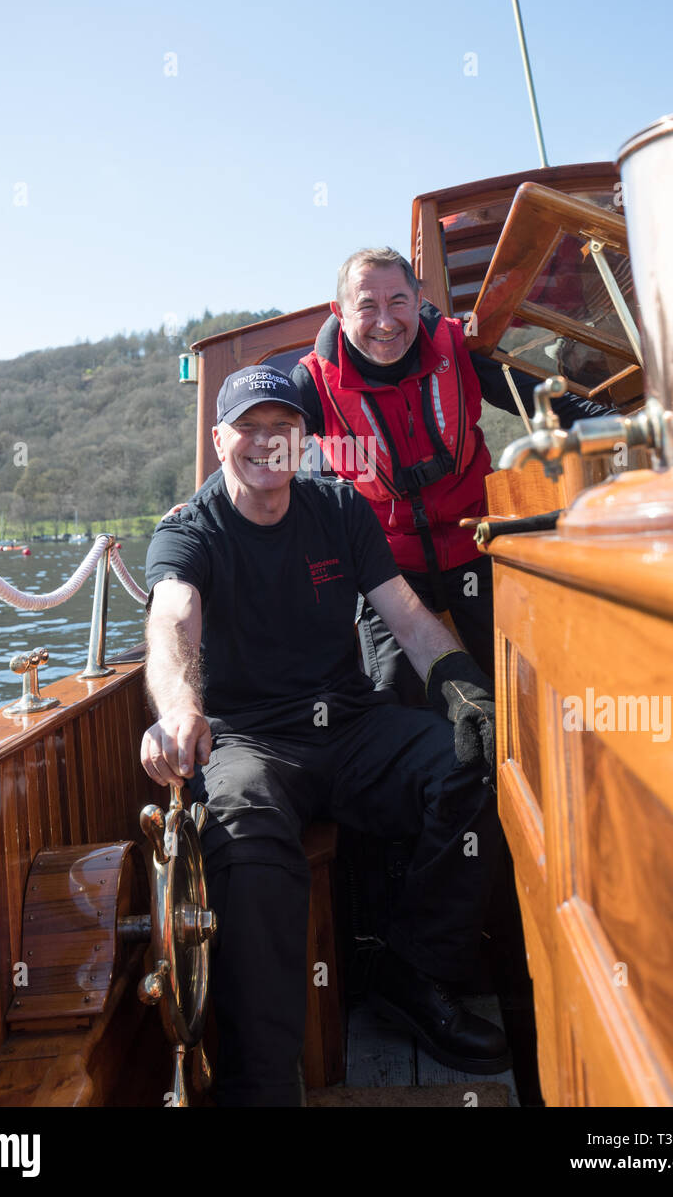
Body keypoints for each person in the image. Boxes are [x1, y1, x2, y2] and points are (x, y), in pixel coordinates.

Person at [142, 365, 511, 1107]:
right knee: (242, 835)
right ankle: (266, 1083)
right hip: (249, 741)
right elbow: (172, 620)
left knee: (468, 761)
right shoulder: (190, 529)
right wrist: (181, 708)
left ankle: (415, 969)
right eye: (249, 428)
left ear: (305, 442)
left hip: (349, 724)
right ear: (220, 441)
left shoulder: (339, 508)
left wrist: (461, 684)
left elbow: (405, 614)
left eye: (283, 428)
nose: (266, 443)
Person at [291, 245, 612, 697]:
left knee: (527, 681)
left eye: (398, 302)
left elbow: (547, 401)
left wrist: (631, 429)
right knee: (401, 702)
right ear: (339, 312)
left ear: (417, 297)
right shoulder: (312, 383)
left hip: (477, 547)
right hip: (389, 573)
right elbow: (262, 448)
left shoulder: (458, 348)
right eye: (367, 306)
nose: (385, 321)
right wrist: (205, 505)